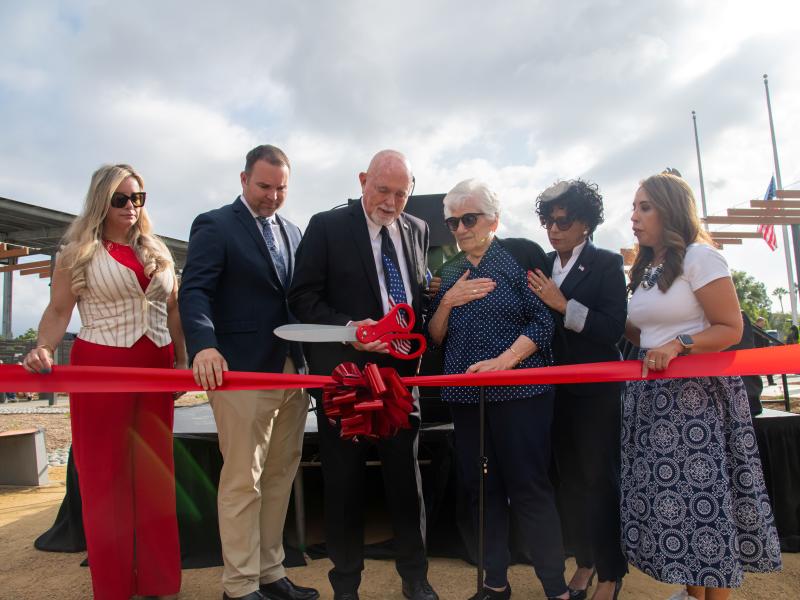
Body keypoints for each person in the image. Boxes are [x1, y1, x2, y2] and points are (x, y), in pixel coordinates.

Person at [22, 164, 184, 600]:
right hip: (100, 366)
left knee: (154, 476)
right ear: (101, 201)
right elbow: (58, 312)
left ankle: (159, 583)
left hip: (156, 367)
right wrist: (42, 347)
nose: (131, 206)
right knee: (105, 479)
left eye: (138, 198)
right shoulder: (78, 252)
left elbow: (173, 313)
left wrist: (183, 363)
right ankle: (113, 587)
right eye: (121, 198)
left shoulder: (158, 249)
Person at [622, 173, 782, 600]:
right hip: (654, 399)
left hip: (698, 401)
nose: (633, 217)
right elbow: (642, 331)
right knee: (680, 505)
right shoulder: (647, 266)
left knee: (706, 503)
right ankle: (695, 594)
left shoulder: (700, 258)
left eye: (644, 207)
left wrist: (680, 344)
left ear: (670, 209)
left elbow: (730, 327)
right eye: (634, 207)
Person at [288, 150, 438, 600]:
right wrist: (350, 331)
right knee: (344, 483)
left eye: (401, 193)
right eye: (383, 190)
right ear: (362, 181)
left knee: (405, 483)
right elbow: (302, 298)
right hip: (347, 378)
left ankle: (416, 577)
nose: (392, 203)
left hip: (401, 378)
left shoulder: (418, 229)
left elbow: (416, 295)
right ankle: (346, 585)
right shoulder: (326, 226)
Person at [179, 145, 318, 600]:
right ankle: (238, 586)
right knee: (244, 479)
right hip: (239, 371)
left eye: (281, 188)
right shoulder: (214, 224)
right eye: (264, 186)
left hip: (292, 371)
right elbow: (195, 291)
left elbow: (298, 299)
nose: (272, 196)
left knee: (280, 475)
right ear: (243, 180)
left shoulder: (295, 232)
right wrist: (204, 346)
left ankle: (271, 572)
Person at [426, 179, 570, 600]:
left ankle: (556, 589)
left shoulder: (522, 253)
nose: (460, 229)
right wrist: (449, 300)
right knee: (482, 491)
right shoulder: (448, 272)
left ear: (494, 219)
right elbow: (434, 337)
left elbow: (543, 322)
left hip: (522, 394)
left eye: (469, 219)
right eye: (453, 222)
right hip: (468, 401)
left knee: (529, 488)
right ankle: (494, 584)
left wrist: (504, 362)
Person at [527, 180, 627, 600]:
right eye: (548, 221)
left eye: (563, 222)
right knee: (567, 482)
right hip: (554, 392)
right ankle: (584, 561)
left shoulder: (606, 263)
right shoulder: (544, 263)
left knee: (597, 480)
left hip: (596, 393)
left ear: (585, 223)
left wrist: (563, 305)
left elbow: (612, 330)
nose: (553, 230)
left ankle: (610, 571)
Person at [753, 317, 775, 386]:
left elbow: (765, 340)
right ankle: (755, 384)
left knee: (768, 366)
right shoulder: (754, 330)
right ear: (757, 322)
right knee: (755, 368)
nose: (763, 324)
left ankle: (770, 381)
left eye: (764, 323)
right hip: (757, 351)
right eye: (762, 323)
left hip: (763, 351)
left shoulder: (761, 330)